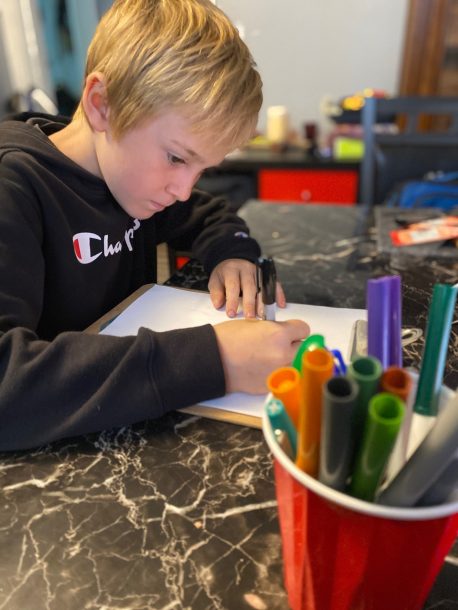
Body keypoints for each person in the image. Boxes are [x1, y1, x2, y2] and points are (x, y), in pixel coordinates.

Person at [0, 0, 309, 450]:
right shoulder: (15, 187)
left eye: (202, 170)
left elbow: (209, 214)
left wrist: (234, 251)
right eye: (178, 158)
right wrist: (215, 358)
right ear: (102, 104)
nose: (183, 190)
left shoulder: (130, 174)